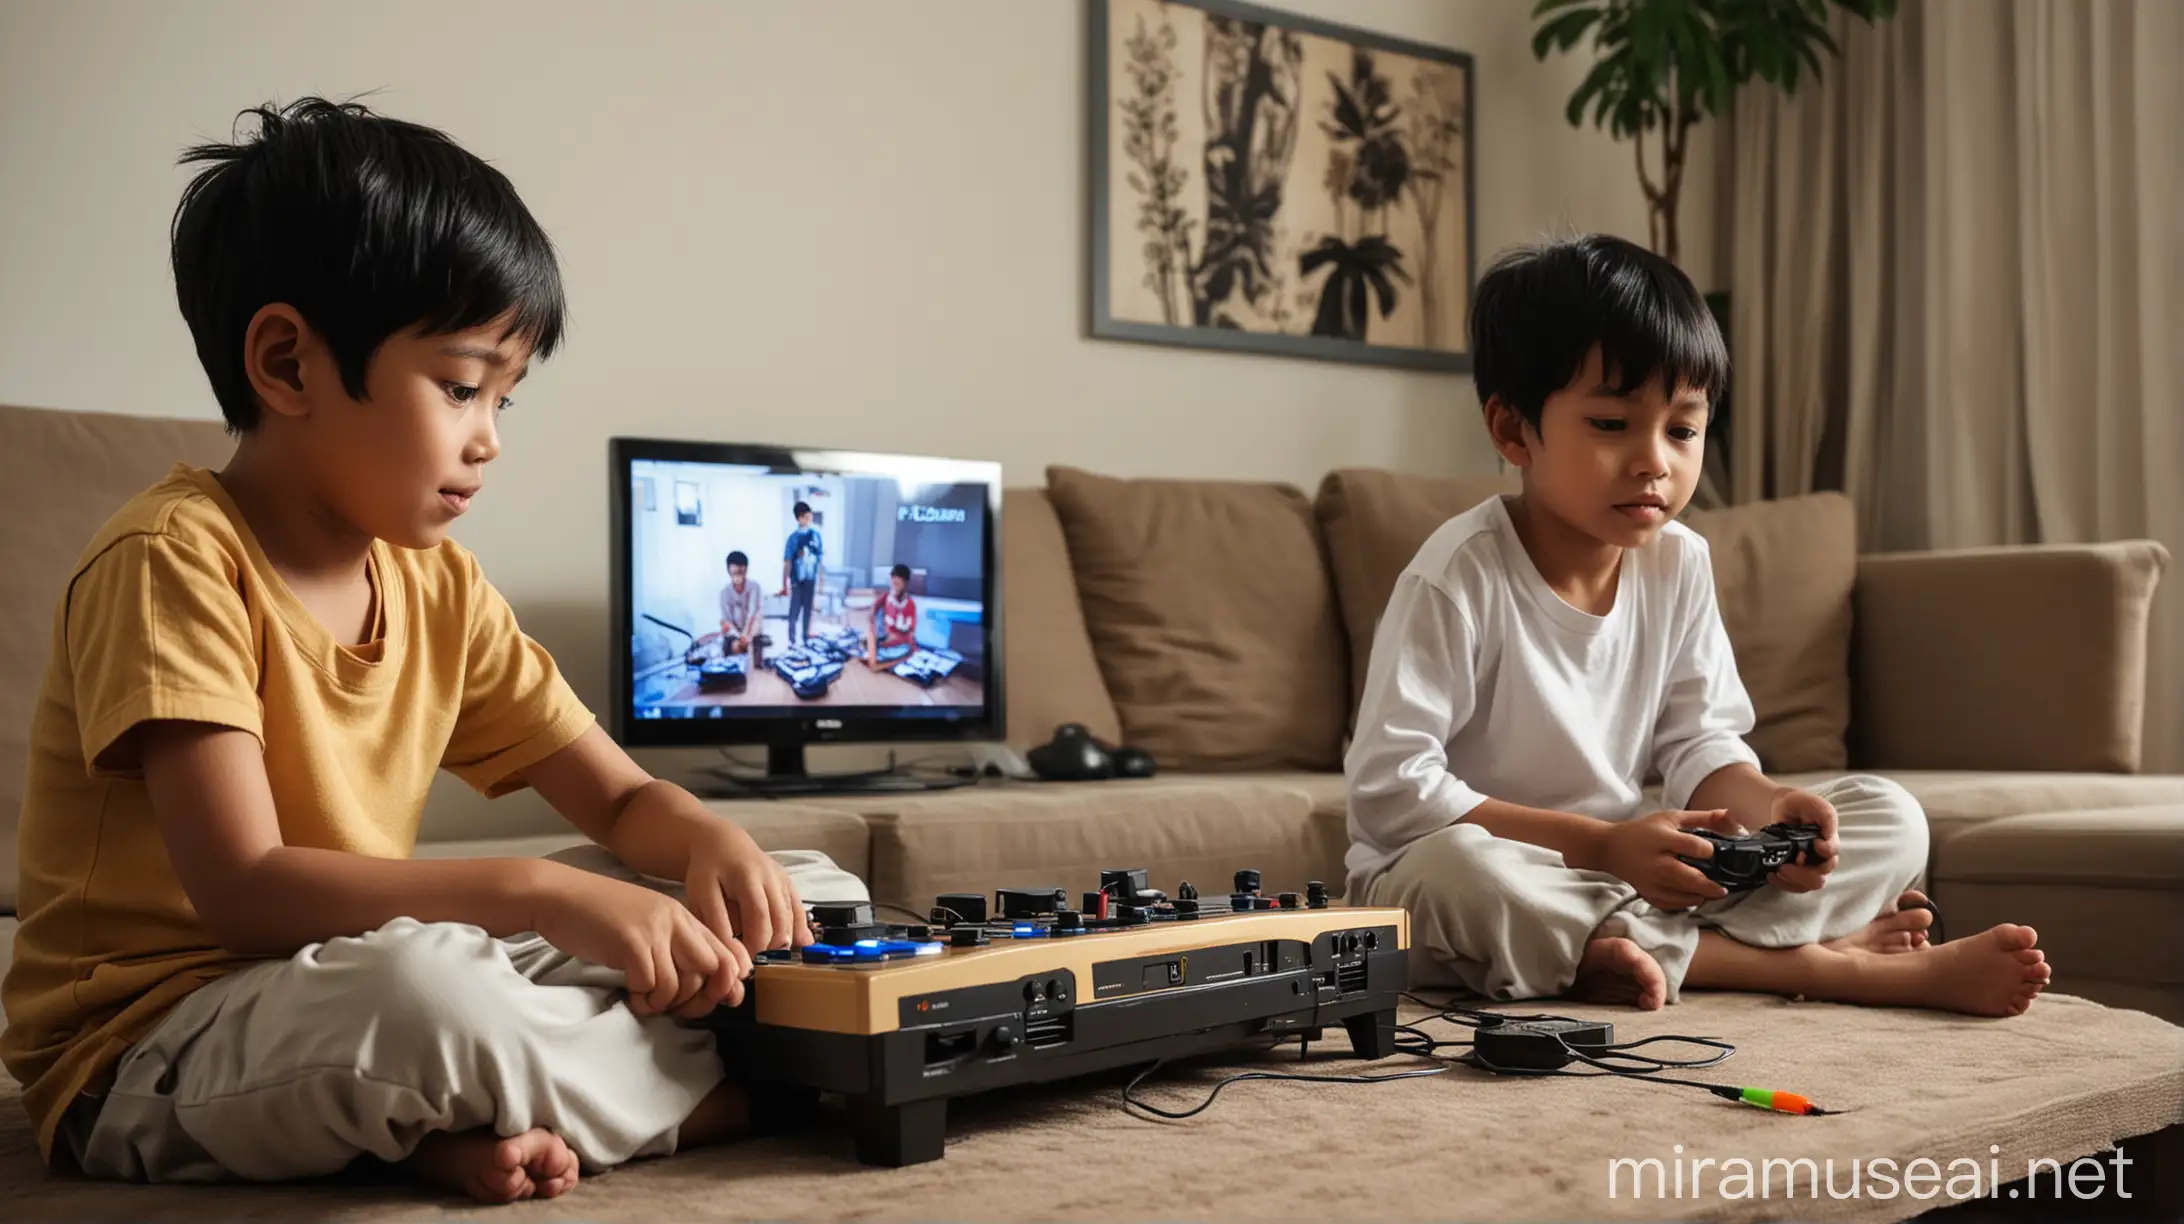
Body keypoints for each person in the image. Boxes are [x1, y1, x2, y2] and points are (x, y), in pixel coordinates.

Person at [0, 98, 867, 1204]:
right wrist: (540, 895)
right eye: (461, 388)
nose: (489, 438)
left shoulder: (437, 586)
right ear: (288, 364)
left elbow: (616, 803)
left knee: (808, 895)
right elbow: (245, 894)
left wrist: (701, 837)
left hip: (334, 990)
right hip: (154, 1043)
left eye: (505, 396)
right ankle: (741, 1095)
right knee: (431, 995)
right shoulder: (171, 561)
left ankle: (450, 1120)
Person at [1343, 233, 2051, 1020]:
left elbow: (1699, 746)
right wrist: (1601, 846)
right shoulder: (1458, 574)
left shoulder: (1678, 562)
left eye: (1682, 430)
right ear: (1514, 432)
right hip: (1479, 873)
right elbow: (1390, 794)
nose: (1655, 462)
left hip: (1625, 878)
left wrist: (1769, 807)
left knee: (1891, 815)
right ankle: (1828, 966)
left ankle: (1615, 952)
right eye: (1612, 424)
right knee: (1454, 878)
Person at [777, 501, 822, 645]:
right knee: (794, 611)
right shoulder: (792, 539)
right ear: (799, 518)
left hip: (810, 579)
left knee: (808, 610)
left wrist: (820, 581)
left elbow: (819, 561)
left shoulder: (816, 536)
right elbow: (787, 562)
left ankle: (805, 637)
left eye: (809, 516)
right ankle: (791, 640)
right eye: (805, 516)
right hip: (796, 580)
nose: (808, 519)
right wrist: (784, 584)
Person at [864, 564, 918, 666]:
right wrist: (872, 618)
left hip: (899, 644)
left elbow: (910, 630)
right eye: (893, 578)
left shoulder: (910, 604)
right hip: (884, 640)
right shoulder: (886, 596)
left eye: (899, 580)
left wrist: (897, 638)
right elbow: (873, 610)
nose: (895, 582)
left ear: (905, 583)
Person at [714, 550, 761, 656]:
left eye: (741, 573)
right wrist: (738, 636)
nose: (738, 577)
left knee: (751, 643)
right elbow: (727, 619)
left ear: (746, 571)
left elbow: (752, 613)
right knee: (735, 645)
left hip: (751, 630)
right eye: (735, 573)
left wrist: (746, 635)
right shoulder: (725, 593)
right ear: (729, 571)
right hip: (734, 632)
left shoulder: (754, 587)